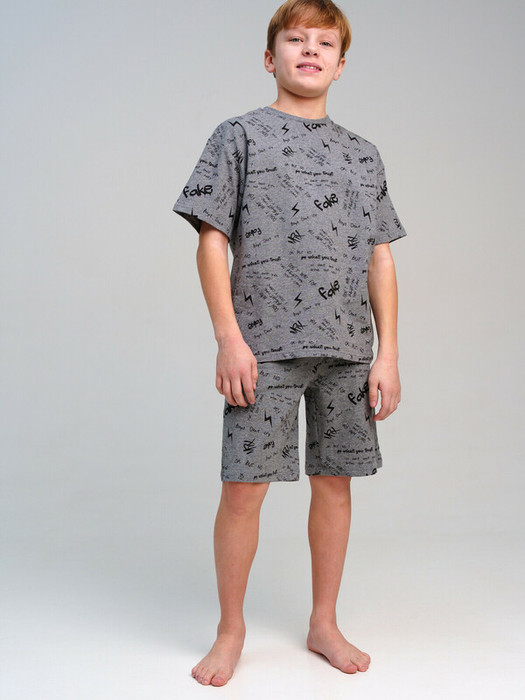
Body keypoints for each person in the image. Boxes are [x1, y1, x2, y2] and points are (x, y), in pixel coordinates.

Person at [172, 0, 407, 687]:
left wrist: (388, 354)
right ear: (270, 57)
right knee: (243, 490)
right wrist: (228, 339)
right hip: (263, 346)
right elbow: (211, 240)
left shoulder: (363, 153)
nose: (309, 50)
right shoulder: (238, 136)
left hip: (347, 350)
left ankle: (322, 622)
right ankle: (231, 630)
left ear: (341, 64)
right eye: (295, 39)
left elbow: (380, 257)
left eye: (324, 42)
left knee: (334, 484)